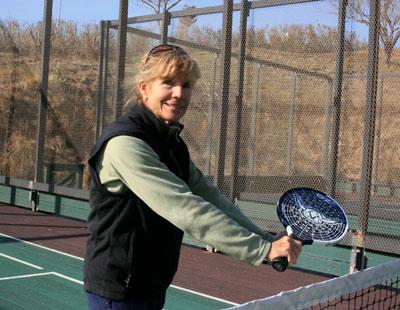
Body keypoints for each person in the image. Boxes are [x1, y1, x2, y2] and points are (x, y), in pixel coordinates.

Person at [84, 44, 302, 310]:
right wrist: (262, 250)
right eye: (167, 83)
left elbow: (211, 198)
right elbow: (186, 208)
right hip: (118, 290)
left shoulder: (171, 142)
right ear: (144, 88)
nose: (179, 93)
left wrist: (266, 240)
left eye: (186, 85)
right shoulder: (125, 144)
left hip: (151, 283)